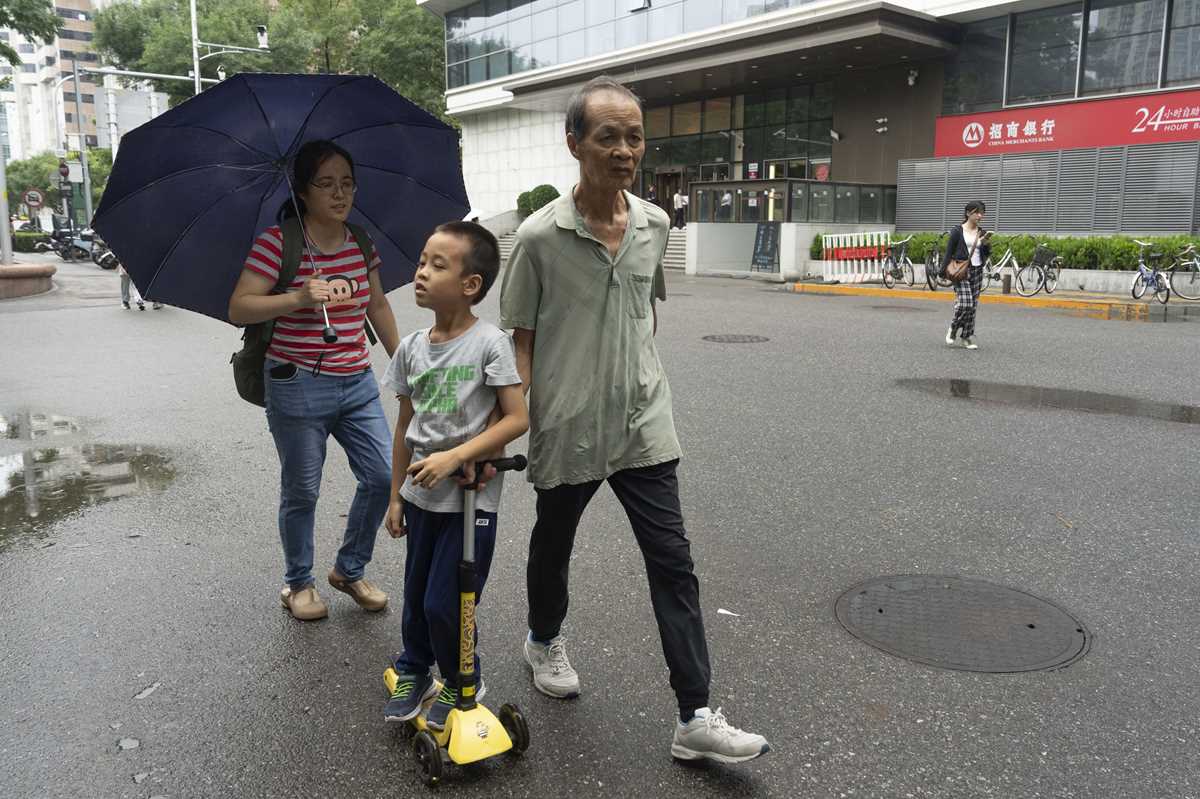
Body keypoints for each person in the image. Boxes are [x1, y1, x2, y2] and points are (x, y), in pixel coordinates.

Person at [500, 75, 770, 764]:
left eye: (634, 137)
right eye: (608, 137)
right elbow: (520, 339)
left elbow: (644, 310)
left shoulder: (653, 224)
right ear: (574, 143)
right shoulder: (538, 237)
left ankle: (694, 715)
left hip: (644, 422)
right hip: (568, 422)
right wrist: (511, 415)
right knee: (554, 543)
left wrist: (635, 373)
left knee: (673, 560)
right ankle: (542, 639)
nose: (625, 150)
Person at [229, 139, 401, 621]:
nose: (339, 193)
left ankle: (349, 569)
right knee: (303, 490)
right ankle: (297, 582)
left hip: (357, 380)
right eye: (326, 184)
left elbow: (377, 304)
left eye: (347, 183)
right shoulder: (278, 243)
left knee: (383, 475)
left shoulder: (360, 241)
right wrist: (298, 298)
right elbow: (240, 306)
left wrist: (403, 362)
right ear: (303, 191)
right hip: (297, 382)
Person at [379, 221, 528, 730]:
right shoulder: (410, 347)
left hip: (470, 502)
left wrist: (456, 455)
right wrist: (395, 496)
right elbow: (405, 425)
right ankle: (415, 670)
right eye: (422, 261)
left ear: (471, 284)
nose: (421, 272)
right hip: (421, 498)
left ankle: (464, 679)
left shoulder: (490, 344)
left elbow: (516, 418)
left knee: (449, 602)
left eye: (437, 265)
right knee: (417, 596)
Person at [942, 200, 991, 350]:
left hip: (977, 270)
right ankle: (953, 328)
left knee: (973, 306)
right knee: (966, 303)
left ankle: (966, 337)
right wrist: (942, 271)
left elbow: (986, 253)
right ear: (968, 213)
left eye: (982, 213)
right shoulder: (957, 231)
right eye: (977, 212)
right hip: (961, 270)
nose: (980, 216)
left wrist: (986, 244)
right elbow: (949, 251)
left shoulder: (981, 232)